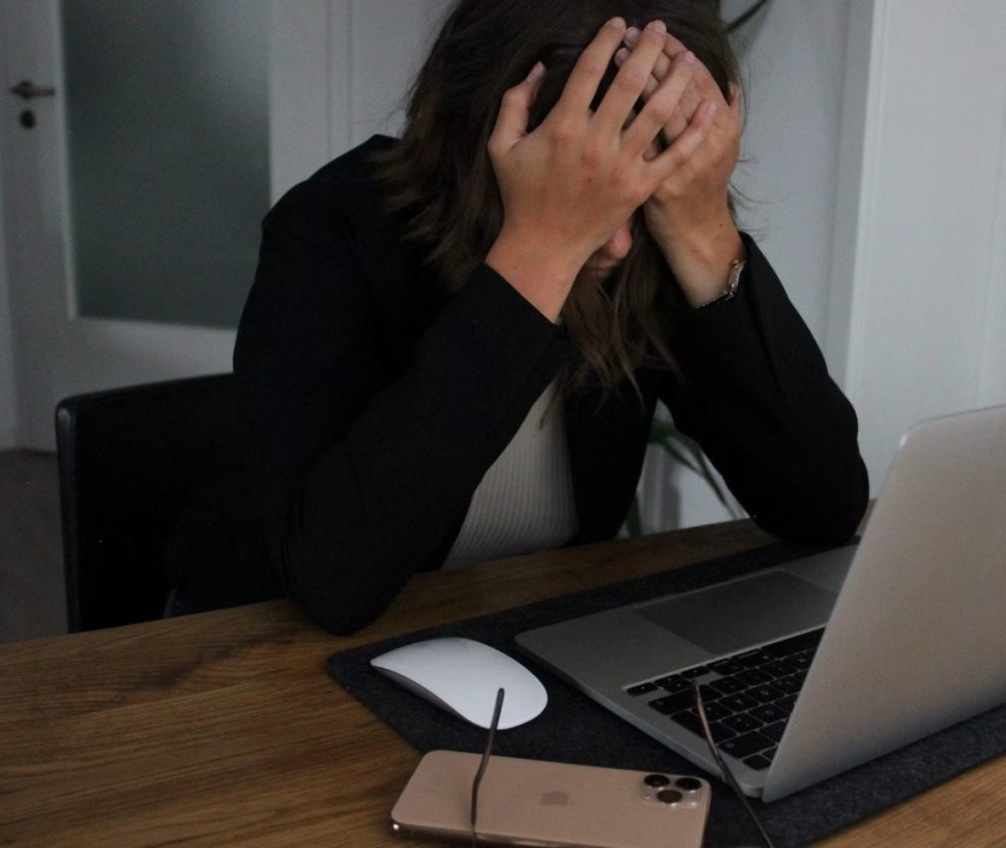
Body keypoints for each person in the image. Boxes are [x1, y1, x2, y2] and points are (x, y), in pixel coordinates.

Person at [176, 0, 867, 632]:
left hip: (523, 642)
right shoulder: (332, 227)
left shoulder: (651, 248)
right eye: (582, 186)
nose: (615, 243)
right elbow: (333, 580)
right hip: (257, 657)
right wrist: (540, 253)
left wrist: (703, 231)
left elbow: (824, 506)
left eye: (642, 190)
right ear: (482, 135)